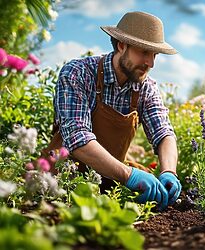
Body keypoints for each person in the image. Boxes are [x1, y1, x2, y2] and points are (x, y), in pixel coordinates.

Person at [45, 11, 181, 210]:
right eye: (144, 52)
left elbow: (164, 133)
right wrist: (128, 175)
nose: (150, 63)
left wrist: (169, 171)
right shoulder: (78, 73)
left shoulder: (145, 87)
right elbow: (77, 139)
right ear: (121, 45)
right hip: (63, 178)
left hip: (111, 179)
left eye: (154, 55)